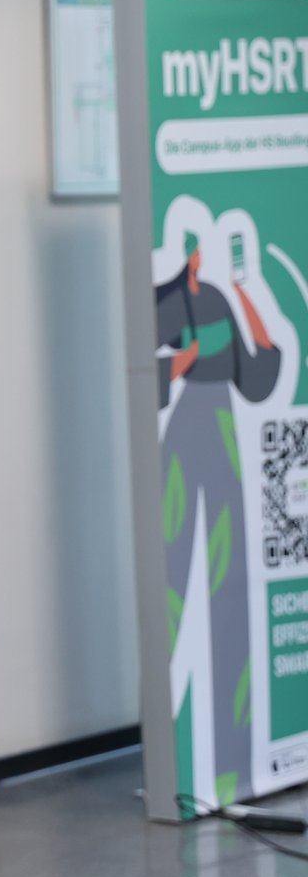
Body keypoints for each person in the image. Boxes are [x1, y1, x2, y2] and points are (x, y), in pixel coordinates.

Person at [154, 223, 281, 805]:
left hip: (226, 439)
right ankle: (173, 763)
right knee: (174, 588)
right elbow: (149, 373)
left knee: (231, 592)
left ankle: (232, 764)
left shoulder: (224, 299)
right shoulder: (167, 300)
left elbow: (259, 374)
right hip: (184, 442)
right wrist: (183, 361)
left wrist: (247, 290)